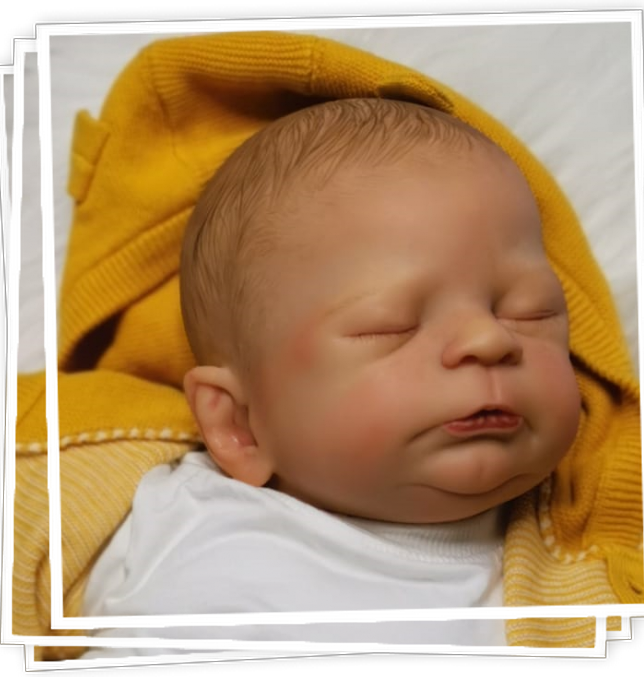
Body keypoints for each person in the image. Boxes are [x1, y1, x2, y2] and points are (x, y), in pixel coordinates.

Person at [80, 97, 581, 654]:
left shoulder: (586, 551)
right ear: (239, 424)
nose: (490, 339)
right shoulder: (178, 532)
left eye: (530, 312)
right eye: (392, 325)